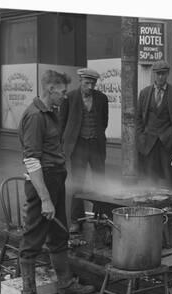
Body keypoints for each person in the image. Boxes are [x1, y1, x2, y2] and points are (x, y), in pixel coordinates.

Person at [18, 70, 95, 294]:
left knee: (59, 234)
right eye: (62, 92)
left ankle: (65, 284)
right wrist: (45, 199)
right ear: (51, 90)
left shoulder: (51, 112)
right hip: (43, 184)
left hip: (55, 180)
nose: (65, 96)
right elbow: (31, 161)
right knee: (32, 240)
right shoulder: (35, 116)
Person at [59, 68, 109, 233]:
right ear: (80, 81)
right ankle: (75, 220)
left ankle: (101, 217)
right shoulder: (70, 98)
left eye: (93, 83)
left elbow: (104, 122)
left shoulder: (102, 99)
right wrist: (61, 146)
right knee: (77, 184)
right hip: (77, 146)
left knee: (99, 183)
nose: (90, 86)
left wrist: (95, 136)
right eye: (87, 83)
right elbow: (62, 123)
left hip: (96, 145)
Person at [136, 60, 172, 191]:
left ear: (168, 74)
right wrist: (141, 137)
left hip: (168, 143)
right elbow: (138, 119)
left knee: (170, 179)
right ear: (153, 74)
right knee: (149, 180)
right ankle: (152, 208)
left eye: (163, 74)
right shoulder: (145, 93)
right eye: (158, 74)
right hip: (149, 143)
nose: (160, 77)